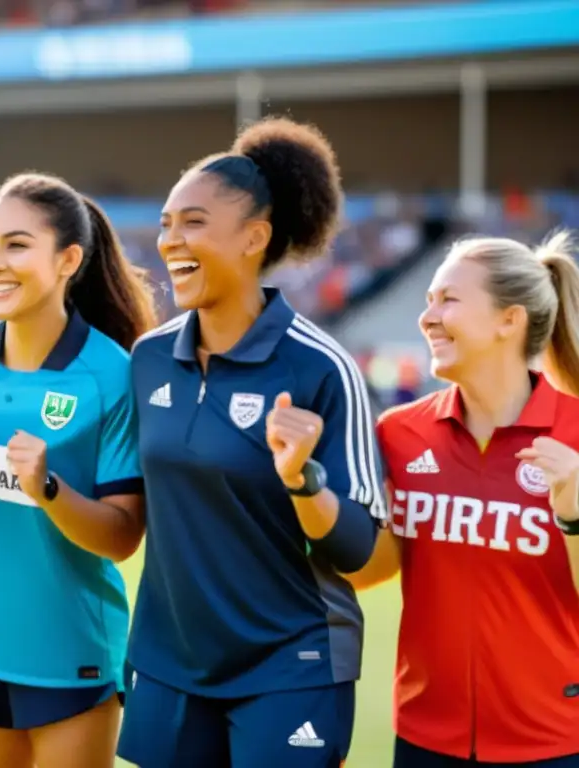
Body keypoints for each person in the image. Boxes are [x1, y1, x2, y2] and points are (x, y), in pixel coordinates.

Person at [118, 117, 387, 768]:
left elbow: (363, 552)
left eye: (193, 223)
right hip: (167, 661)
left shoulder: (321, 368)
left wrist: (302, 478)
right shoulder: (148, 359)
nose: (169, 242)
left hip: (289, 665)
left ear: (254, 238)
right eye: (165, 223)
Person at [0, 172, 157, 768]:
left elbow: (122, 537)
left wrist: (48, 489)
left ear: (69, 259)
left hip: (68, 653)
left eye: (17, 245)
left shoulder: (114, 374)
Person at [349, 231, 579, 767]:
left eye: (448, 299)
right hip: (426, 738)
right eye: (427, 300)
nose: (427, 317)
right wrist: (306, 493)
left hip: (553, 742)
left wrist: (575, 516)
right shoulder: (398, 433)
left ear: (510, 320)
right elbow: (370, 572)